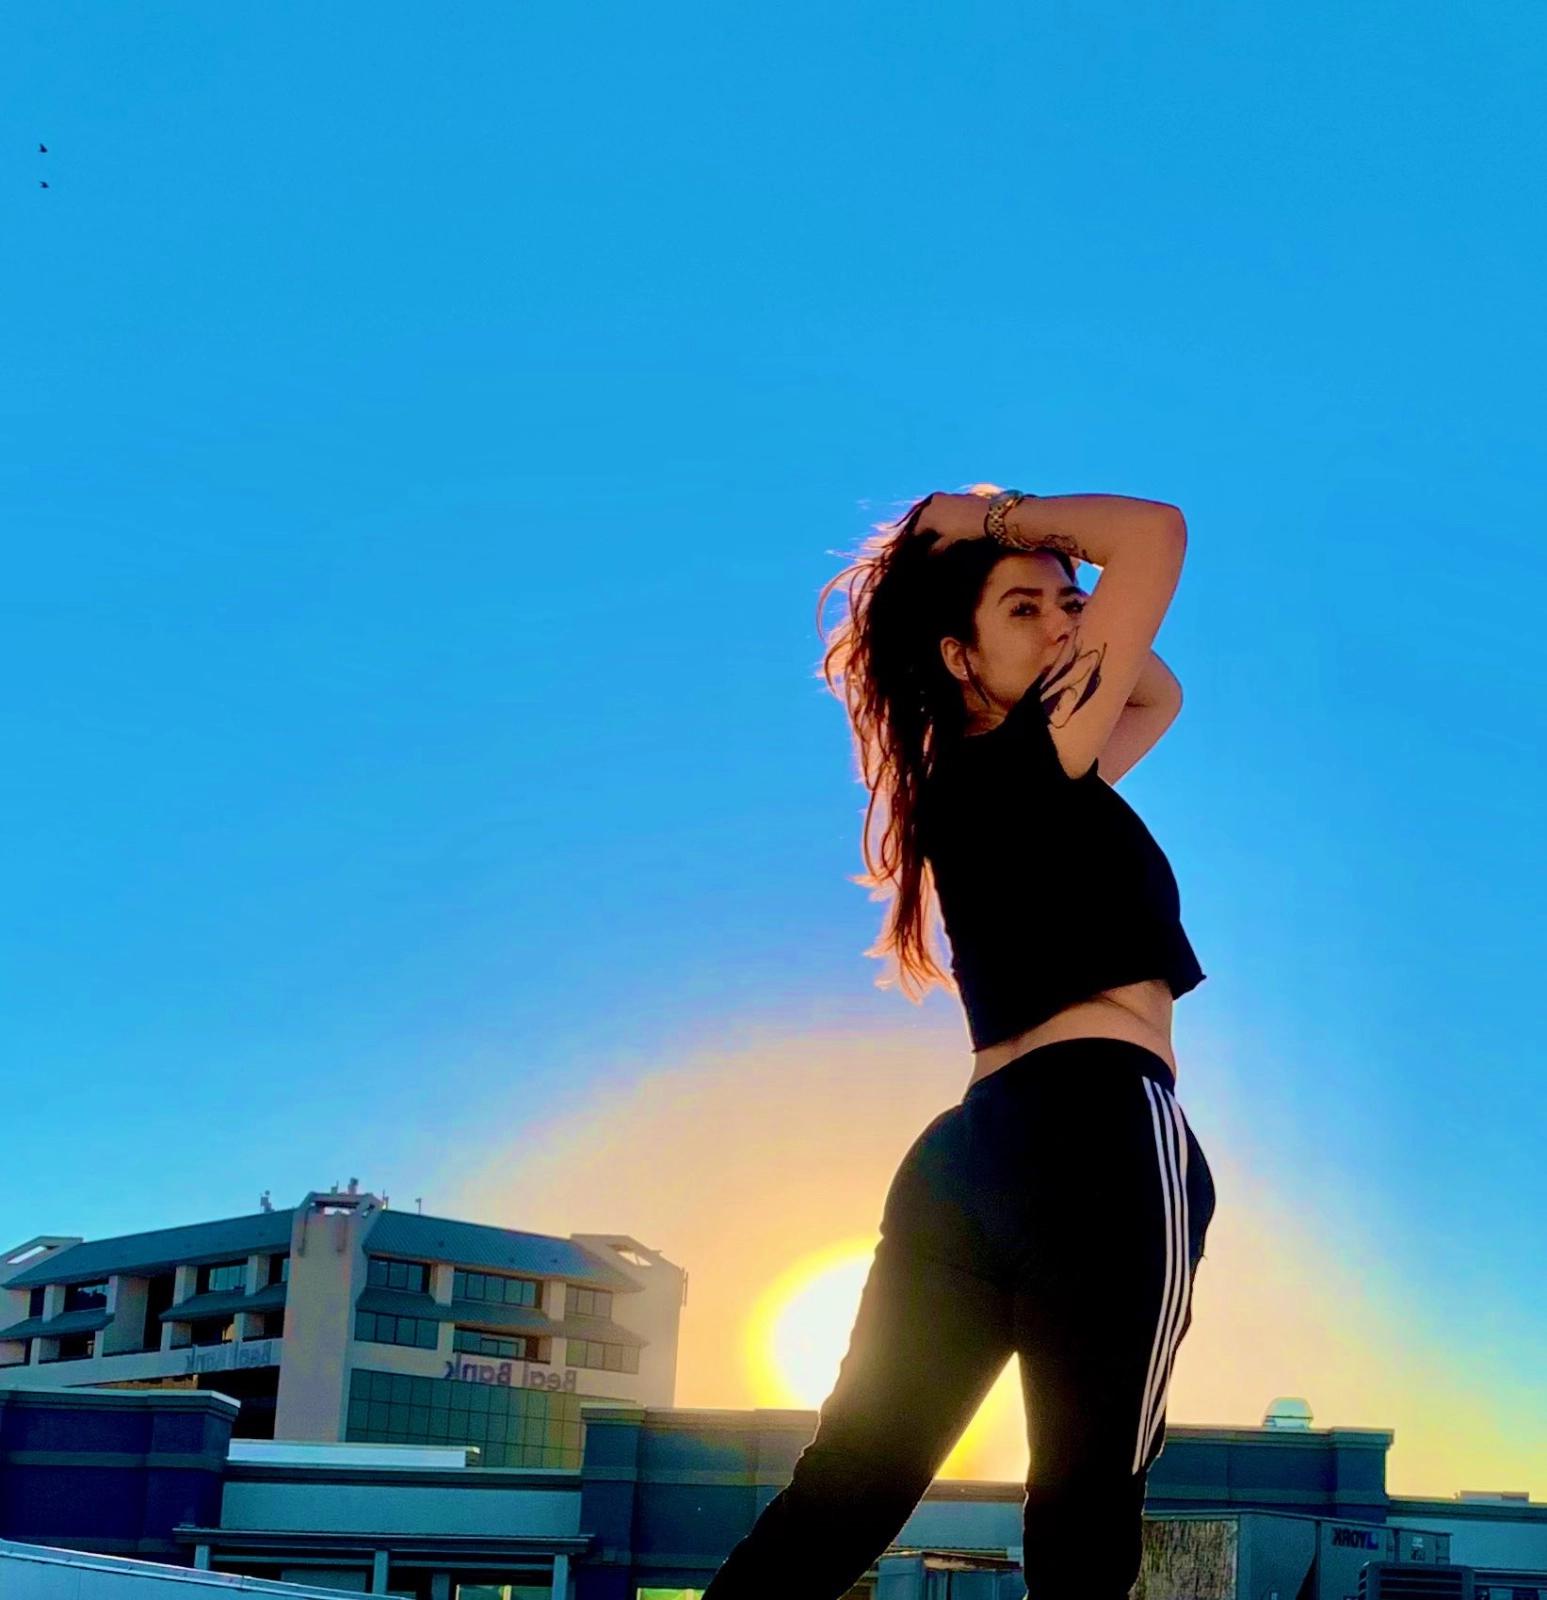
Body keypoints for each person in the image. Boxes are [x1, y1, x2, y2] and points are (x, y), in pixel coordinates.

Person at [700, 485, 1218, 1599]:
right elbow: (1155, 534)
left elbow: (1156, 692)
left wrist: (1031, 581)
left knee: (850, 1485)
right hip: (1094, 1129)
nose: (1065, 624)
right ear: (958, 659)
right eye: (1023, 609)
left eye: (1072, 605)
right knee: (1087, 1495)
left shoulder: (991, 785)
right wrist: (988, 522)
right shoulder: (1027, 761)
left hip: (971, 1156)